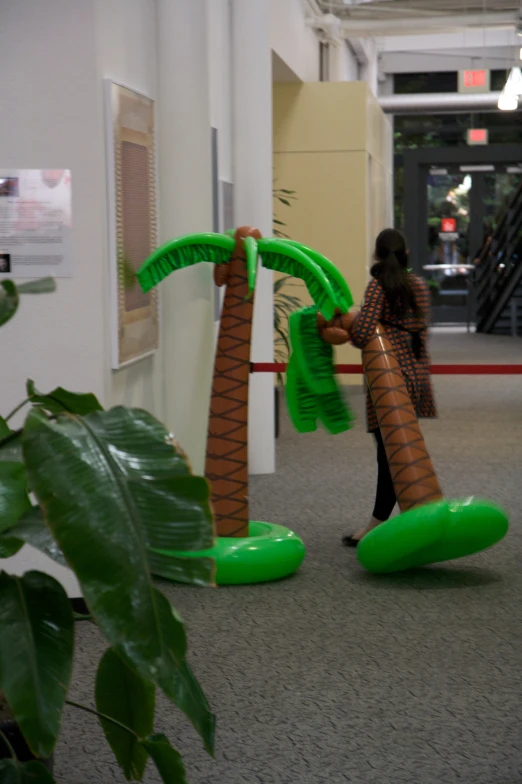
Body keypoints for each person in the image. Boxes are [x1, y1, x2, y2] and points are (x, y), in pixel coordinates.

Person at [342, 228, 437, 547]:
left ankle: (376, 524)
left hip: (389, 379)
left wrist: (349, 321)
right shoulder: (420, 286)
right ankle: (387, 520)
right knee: (401, 450)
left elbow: (362, 333)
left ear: (377, 256)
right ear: (406, 253)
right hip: (416, 374)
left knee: (391, 454)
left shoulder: (378, 287)